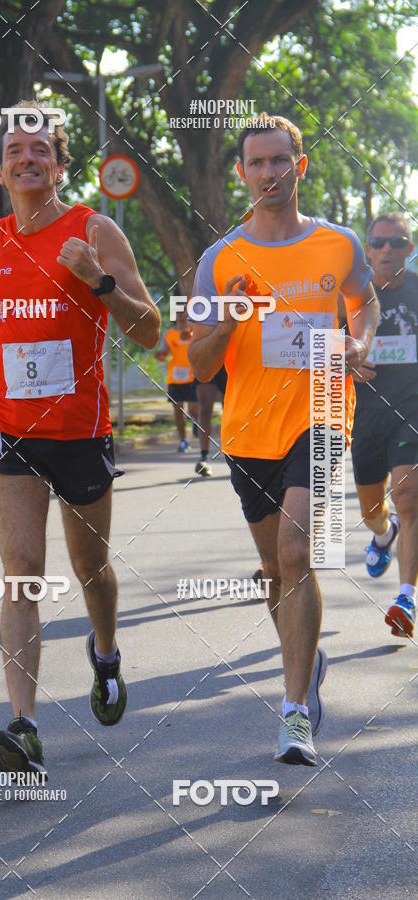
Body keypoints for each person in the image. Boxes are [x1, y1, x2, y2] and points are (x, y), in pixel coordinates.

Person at [0, 102, 160, 778]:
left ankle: (107, 651)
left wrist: (99, 281)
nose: (26, 157)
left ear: (59, 164)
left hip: (81, 430)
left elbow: (148, 328)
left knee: (91, 568)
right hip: (9, 426)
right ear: (1, 169)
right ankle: (24, 725)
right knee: (22, 570)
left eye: (40, 148)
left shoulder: (92, 227)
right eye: (14, 150)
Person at [189, 113, 379, 766]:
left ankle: (294, 713)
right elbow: (201, 361)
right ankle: (308, 657)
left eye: (280, 161)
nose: (269, 173)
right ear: (242, 173)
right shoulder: (221, 260)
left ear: (300, 166)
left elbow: (365, 300)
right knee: (274, 568)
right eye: (256, 163)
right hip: (248, 429)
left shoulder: (338, 244)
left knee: (298, 549)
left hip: (324, 408)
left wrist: (360, 340)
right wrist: (231, 317)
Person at [350, 213, 418, 638]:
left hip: (412, 409)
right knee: (373, 510)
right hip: (366, 416)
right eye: (379, 242)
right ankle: (383, 534)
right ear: (368, 248)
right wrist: (348, 363)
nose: (388, 249)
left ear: (410, 249)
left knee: (409, 496)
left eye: (397, 243)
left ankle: (406, 597)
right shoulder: (352, 294)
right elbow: (326, 346)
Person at [155, 308, 199, 452]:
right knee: (177, 409)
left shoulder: (194, 331)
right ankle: (184, 441)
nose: (180, 312)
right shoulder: (169, 334)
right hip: (174, 377)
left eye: (184, 309)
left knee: (193, 408)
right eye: (178, 310)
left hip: (192, 376)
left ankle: (194, 421)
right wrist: (160, 356)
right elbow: (164, 354)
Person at [192, 367, 227, 477]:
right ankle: (204, 457)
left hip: (231, 360)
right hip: (208, 355)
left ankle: (237, 455)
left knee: (230, 407)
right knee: (205, 407)